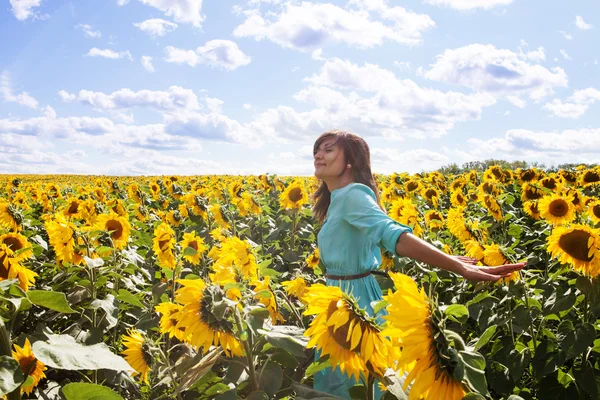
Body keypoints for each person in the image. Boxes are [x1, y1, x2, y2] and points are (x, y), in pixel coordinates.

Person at [311, 130, 526, 398]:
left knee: (359, 384)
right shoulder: (340, 199)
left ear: (351, 160)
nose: (319, 154)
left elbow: (394, 236)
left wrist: (458, 268)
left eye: (328, 149)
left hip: (355, 304)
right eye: (317, 150)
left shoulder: (353, 196)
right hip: (339, 299)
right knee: (346, 383)